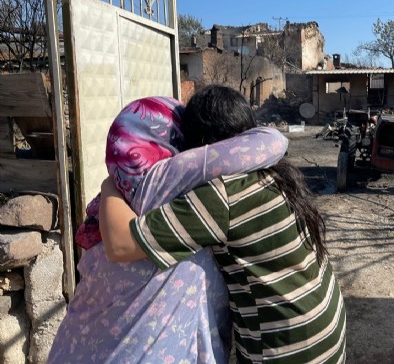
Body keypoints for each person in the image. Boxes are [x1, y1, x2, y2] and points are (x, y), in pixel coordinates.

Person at [99, 85, 347, 363]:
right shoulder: (275, 171)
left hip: (288, 349)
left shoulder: (222, 195)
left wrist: (111, 182)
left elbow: (120, 244)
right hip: (326, 327)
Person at [49, 96, 288, 363]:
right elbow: (271, 142)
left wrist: (109, 184)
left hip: (69, 350)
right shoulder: (173, 181)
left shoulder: (107, 207)